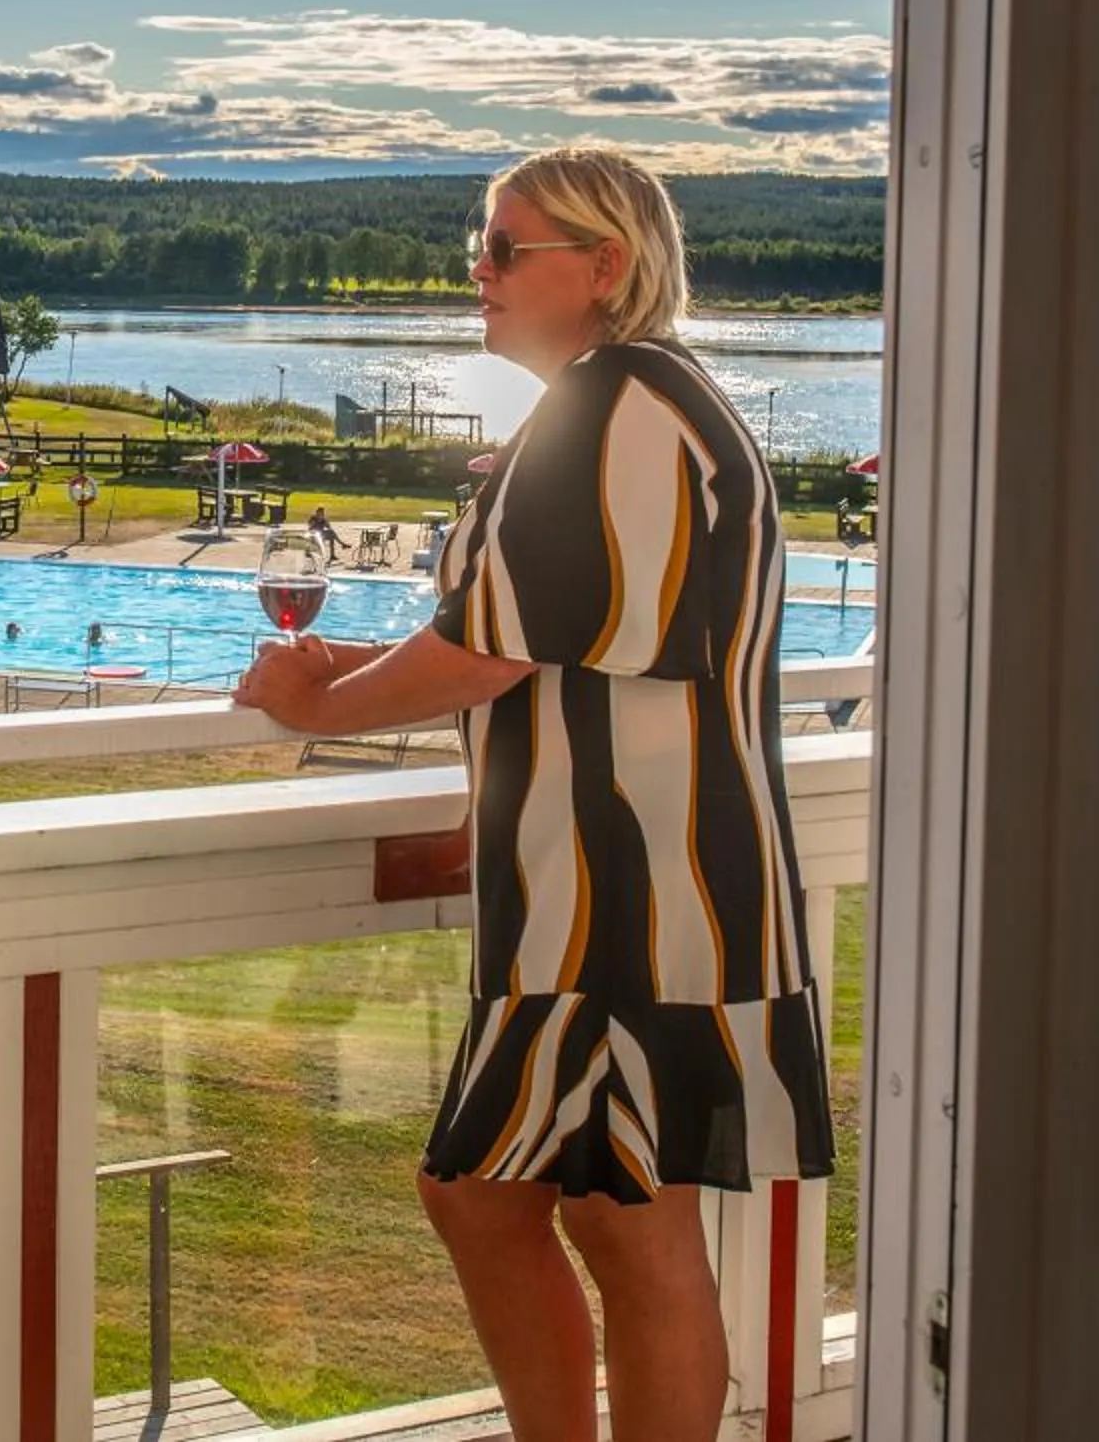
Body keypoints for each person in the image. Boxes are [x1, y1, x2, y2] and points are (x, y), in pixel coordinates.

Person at [234, 146, 833, 1442]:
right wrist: (353, 660)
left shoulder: (619, 403)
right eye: (480, 245)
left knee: (537, 1206)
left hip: (627, 894)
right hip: (639, 889)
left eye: (509, 249)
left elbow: (501, 647)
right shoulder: (651, 403)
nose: (479, 271)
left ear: (603, 269)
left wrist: (319, 705)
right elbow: (519, 626)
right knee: (604, 1213)